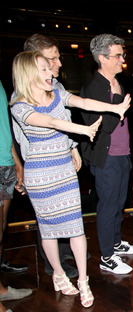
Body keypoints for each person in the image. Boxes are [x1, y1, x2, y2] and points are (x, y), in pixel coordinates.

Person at [10, 51, 131, 307]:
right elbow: (49, 121)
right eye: (43, 69)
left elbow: (84, 103)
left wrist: (114, 107)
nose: (50, 73)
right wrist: (82, 131)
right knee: (49, 229)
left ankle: (84, 280)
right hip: (40, 175)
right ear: (27, 74)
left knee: (76, 227)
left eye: (48, 68)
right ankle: (59, 273)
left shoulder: (57, 93)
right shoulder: (19, 106)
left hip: (64, 170)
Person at [10, 33, 74, 277]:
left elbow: (64, 121)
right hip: (40, 161)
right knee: (47, 213)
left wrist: (72, 148)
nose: (57, 64)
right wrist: (25, 169)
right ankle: (52, 262)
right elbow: (23, 138)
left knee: (64, 206)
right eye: (51, 59)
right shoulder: (23, 96)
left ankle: (65, 249)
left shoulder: (55, 86)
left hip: (60, 153)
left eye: (57, 59)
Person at [80, 34, 133, 275]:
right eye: (118, 55)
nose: (122, 60)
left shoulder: (116, 83)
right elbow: (102, 127)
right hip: (106, 158)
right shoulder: (92, 88)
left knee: (118, 203)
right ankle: (106, 256)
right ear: (102, 58)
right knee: (107, 206)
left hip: (122, 154)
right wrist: (116, 102)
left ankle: (116, 243)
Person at [0, 80, 33, 312]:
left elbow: (4, 126)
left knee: (0, 230)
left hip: (5, 162)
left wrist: (15, 161)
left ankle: (0, 290)